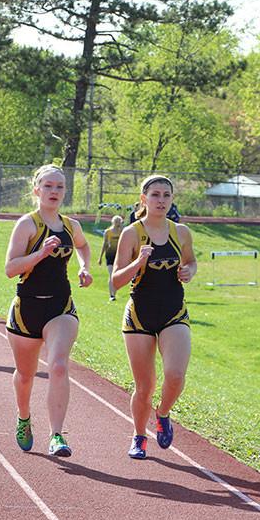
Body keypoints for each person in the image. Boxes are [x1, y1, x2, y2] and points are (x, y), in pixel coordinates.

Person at [4, 164, 92, 457]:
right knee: (26, 375)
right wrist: (41, 253)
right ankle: (24, 416)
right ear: (36, 190)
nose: (54, 192)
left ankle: (56, 435)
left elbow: (82, 246)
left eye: (60, 187)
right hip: (27, 309)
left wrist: (84, 267)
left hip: (60, 307)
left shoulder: (71, 226)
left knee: (57, 366)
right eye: (49, 186)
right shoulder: (27, 225)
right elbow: (10, 269)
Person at [112, 175, 197, 460]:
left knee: (175, 375)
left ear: (172, 200)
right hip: (139, 316)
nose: (161, 200)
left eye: (166, 195)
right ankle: (138, 436)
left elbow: (191, 261)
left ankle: (163, 413)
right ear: (143, 198)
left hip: (173, 312)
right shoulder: (132, 233)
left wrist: (189, 272)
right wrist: (139, 262)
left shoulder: (181, 232)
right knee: (144, 386)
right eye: (156, 195)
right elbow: (116, 281)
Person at [98, 215, 124, 301]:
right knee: (111, 274)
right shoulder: (108, 232)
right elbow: (104, 244)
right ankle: (111, 295)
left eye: (119, 222)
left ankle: (114, 293)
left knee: (116, 275)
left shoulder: (122, 231)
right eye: (116, 222)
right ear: (113, 222)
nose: (117, 223)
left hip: (119, 255)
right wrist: (100, 257)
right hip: (110, 254)